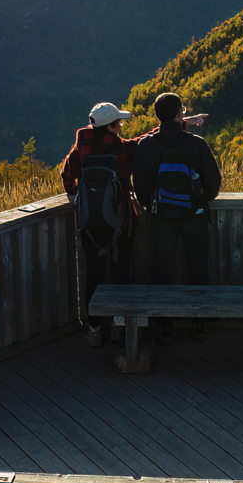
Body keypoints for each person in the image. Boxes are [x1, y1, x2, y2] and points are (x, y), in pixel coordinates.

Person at [59, 100, 139, 346]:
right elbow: (142, 143)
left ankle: (93, 328)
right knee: (120, 274)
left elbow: (67, 175)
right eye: (120, 122)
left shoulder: (79, 149)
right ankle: (119, 326)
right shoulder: (122, 150)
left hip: (90, 226)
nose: (121, 126)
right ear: (112, 126)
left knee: (93, 273)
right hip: (120, 224)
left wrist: (76, 197)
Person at [129, 92, 220, 288]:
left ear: (157, 116)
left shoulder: (146, 145)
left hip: (160, 217)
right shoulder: (197, 143)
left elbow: (139, 185)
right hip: (195, 216)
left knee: (163, 272)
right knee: (198, 270)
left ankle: (164, 318)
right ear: (180, 114)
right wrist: (201, 200)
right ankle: (199, 317)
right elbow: (213, 182)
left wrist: (153, 205)